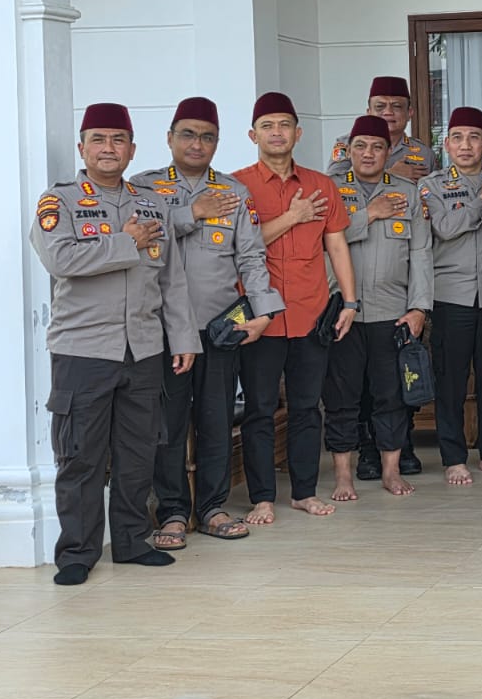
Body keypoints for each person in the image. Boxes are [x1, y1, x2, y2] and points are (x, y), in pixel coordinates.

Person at [30, 103, 199, 585]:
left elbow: (172, 280)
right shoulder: (60, 201)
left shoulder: (153, 204)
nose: (109, 148)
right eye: (99, 139)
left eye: (118, 139)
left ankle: (132, 541)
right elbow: (61, 260)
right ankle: (77, 552)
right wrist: (125, 243)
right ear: (82, 148)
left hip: (143, 348)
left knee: (138, 451)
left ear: (132, 149)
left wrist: (183, 337)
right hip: (83, 350)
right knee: (81, 455)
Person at [134, 96, 284, 548]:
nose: (197, 144)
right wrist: (191, 213)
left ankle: (213, 507)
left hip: (217, 327)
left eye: (207, 136)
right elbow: (138, 240)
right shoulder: (143, 188)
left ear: (217, 142)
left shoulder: (234, 192)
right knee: (167, 425)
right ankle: (172, 513)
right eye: (188, 134)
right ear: (169, 138)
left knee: (216, 420)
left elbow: (251, 256)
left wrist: (264, 312)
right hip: (161, 328)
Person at [233, 92, 358, 525]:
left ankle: (304, 492)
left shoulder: (322, 185)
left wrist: (350, 301)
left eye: (284, 125)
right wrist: (292, 216)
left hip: (310, 313)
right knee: (260, 410)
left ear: (298, 133)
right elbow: (240, 247)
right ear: (253, 135)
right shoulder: (237, 187)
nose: (276, 133)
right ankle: (262, 498)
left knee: (307, 407)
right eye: (267, 126)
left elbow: (337, 245)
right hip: (259, 317)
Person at [327, 74, 431, 479]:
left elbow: (420, 253)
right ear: (348, 149)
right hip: (342, 311)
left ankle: (391, 470)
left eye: (376, 147)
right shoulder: (330, 189)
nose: (368, 153)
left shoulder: (407, 192)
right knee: (343, 396)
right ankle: (346, 471)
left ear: (389, 152)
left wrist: (419, 307)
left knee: (392, 394)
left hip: (392, 310)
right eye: (360, 146)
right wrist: (367, 215)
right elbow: (322, 241)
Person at [418, 107, 482, 485]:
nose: (465, 145)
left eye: (474, 137)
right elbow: (444, 227)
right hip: (451, 297)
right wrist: (481, 203)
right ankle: (453, 457)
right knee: (451, 381)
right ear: (446, 144)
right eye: (457, 138)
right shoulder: (432, 184)